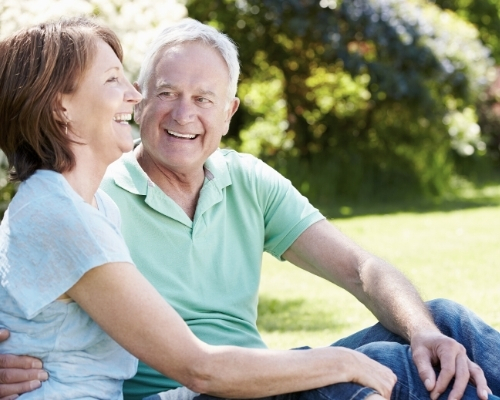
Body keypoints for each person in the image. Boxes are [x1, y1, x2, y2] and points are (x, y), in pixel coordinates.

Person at [1, 17, 500, 400]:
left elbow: (360, 269)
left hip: (247, 372)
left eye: (203, 98)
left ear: (229, 112)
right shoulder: (84, 199)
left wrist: (424, 334)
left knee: (442, 324)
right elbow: (195, 366)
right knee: (389, 362)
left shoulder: (236, 182)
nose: (179, 113)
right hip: (195, 384)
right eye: (162, 93)